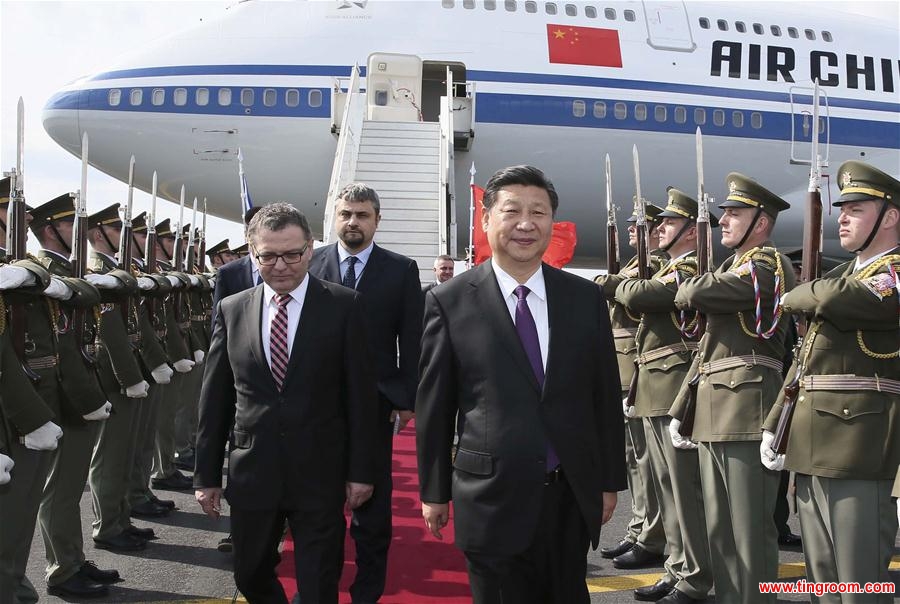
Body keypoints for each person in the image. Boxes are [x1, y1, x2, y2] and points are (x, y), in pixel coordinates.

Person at [417, 165, 625, 604]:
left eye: (539, 212)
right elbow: (436, 405)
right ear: (486, 219)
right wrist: (434, 491)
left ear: (552, 221)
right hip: (490, 497)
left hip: (568, 496)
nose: (526, 224)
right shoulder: (449, 301)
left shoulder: (584, 298)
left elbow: (604, 396)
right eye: (512, 211)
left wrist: (609, 481)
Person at [194, 203, 380, 604]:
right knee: (249, 574)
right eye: (268, 256)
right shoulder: (233, 309)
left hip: (320, 474)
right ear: (252, 253)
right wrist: (205, 475)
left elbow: (362, 399)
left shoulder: (345, 305)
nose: (280, 266)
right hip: (253, 473)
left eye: (292, 254)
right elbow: (216, 398)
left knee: (318, 586)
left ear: (310, 249)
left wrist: (362, 471)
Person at [762, 160, 899, 602]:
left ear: (890, 217)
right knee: (823, 579)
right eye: (842, 209)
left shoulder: (891, 273)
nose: (843, 217)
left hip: (859, 446)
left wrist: (798, 293)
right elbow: (804, 360)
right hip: (812, 441)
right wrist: (774, 422)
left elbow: (838, 299)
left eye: (856, 209)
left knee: (859, 584)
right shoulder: (843, 274)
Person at [670, 174, 796, 603]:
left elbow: (698, 291)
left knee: (750, 529)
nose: (723, 221)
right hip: (714, 405)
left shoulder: (768, 264)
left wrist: (691, 287)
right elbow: (707, 348)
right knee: (720, 529)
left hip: (747, 405)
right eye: (725, 213)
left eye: (735, 214)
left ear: (761, 223)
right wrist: (682, 406)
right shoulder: (733, 266)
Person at [309, 183, 423, 604]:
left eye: (362, 215)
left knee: (371, 510)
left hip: (375, 405)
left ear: (377, 220)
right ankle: (319, 590)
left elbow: (412, 339)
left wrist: (407, 398)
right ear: (335, 218)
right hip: (316, 403)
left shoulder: (401, 269)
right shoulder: (310, 262)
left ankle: (366, 594)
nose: (353, 222)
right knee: (319, 509)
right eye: (346, 214)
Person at [615, 189, 715, 603]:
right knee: (665, 483)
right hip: (654, 379)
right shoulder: (669, 267)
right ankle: (678, 566)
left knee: (682, 488)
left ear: (691, 232)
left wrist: (616, 284)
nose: (659, 229)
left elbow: (639, 296)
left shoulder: (688, 267)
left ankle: (693, 572)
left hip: (673, 379)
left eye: (669, 223)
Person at [593, 204, 667, 565]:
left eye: (638, 228)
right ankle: (639, 528)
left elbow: (619, 290)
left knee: (647, 461)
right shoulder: (635, 266)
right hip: (622, 369)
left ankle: (651, 535)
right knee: (634, 459)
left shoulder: (654, 265)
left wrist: (613, 280)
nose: (630, 233)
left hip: (637, 368)